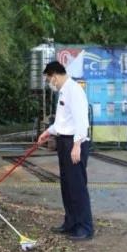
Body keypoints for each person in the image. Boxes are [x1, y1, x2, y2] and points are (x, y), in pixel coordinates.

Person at [37, 61, 93, 241]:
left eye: (48, 79)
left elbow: (81, 120)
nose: (49, 83)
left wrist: (77, 145)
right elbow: (62, 121)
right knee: (67, 186)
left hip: (74, 143)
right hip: (64, 141)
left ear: (54, 76)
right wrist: (48, 132)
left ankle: (84, 227)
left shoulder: (74, 90)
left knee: (77, 186)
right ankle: (71, 222)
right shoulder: (63, 91)